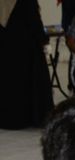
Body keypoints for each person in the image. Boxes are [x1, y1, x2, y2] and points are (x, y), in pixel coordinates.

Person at [0, 0, 53, 130]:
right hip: (25, 50)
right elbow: (34, 22)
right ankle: (29, 117)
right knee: (26, 82)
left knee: (8, 83)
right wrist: (44, 41)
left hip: (4, 49)